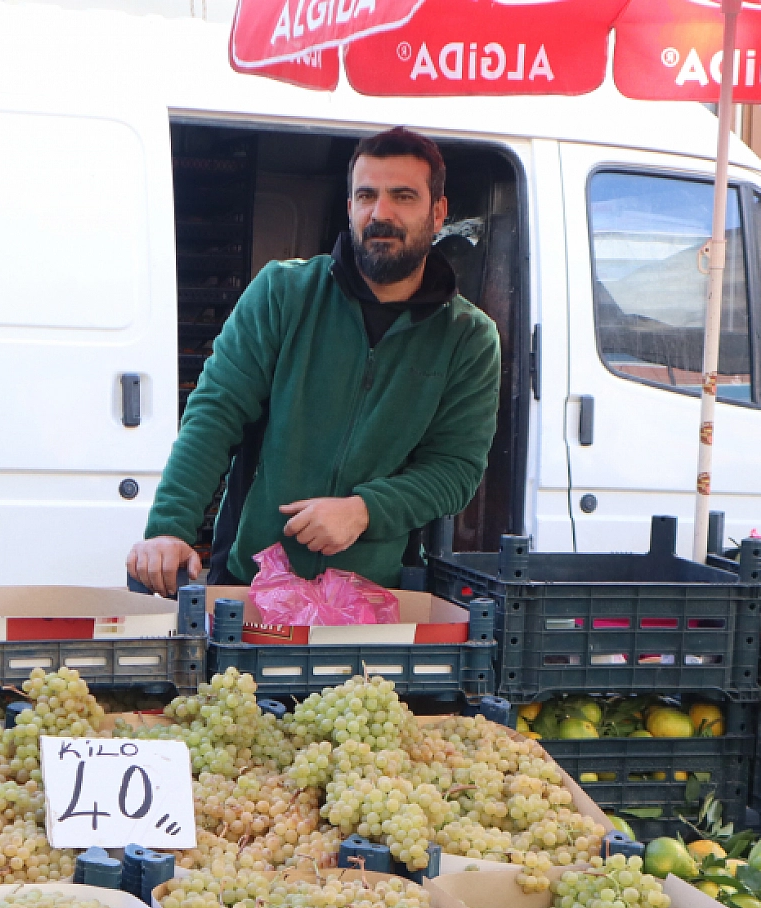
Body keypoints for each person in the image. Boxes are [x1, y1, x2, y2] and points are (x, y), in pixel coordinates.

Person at [127, 127, 502, 596]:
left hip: (369, 598)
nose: (380, 213)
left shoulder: (468, 338)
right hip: (250, 586)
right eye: (366, 195)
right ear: (349, 207)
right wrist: (170, 526)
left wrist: (363, 510)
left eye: (403, 196)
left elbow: (456, 469)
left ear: (438, 211)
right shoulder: (283, 292)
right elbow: (215, 413)